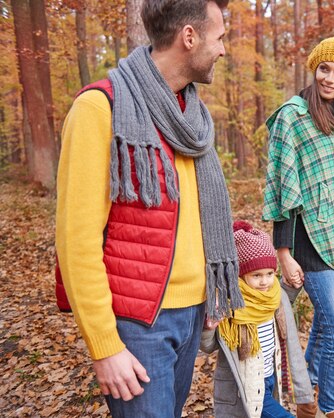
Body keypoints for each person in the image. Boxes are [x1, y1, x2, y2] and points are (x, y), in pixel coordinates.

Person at [54, 1, 244, 416]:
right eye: (220, 37)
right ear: (188, 38)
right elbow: (76, 241)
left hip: (191, 315)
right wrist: (105, 347)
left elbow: (192, 218)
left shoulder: (191, 115)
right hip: (138, 325)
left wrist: (209, 296)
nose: (223, 49)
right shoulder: (99, 108)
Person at [262, 35, 334, 417]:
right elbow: (282, 188)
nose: (330, 78)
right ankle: (332, 407)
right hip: (308, 242)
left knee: (328, 328)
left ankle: (306, 388)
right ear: (314, 69)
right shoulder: (292, 117)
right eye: (324, 69)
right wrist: (283, 254)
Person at [200, 221, 317, 418]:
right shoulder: (231, 304)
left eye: (270, 274)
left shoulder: (274, 296)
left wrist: (292, 285)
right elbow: (209, 346)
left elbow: (285, 304)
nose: (265, 281)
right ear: (241, 275)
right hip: (245, 385)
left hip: (270, 376)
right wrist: (209, 326)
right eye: (256, 275)